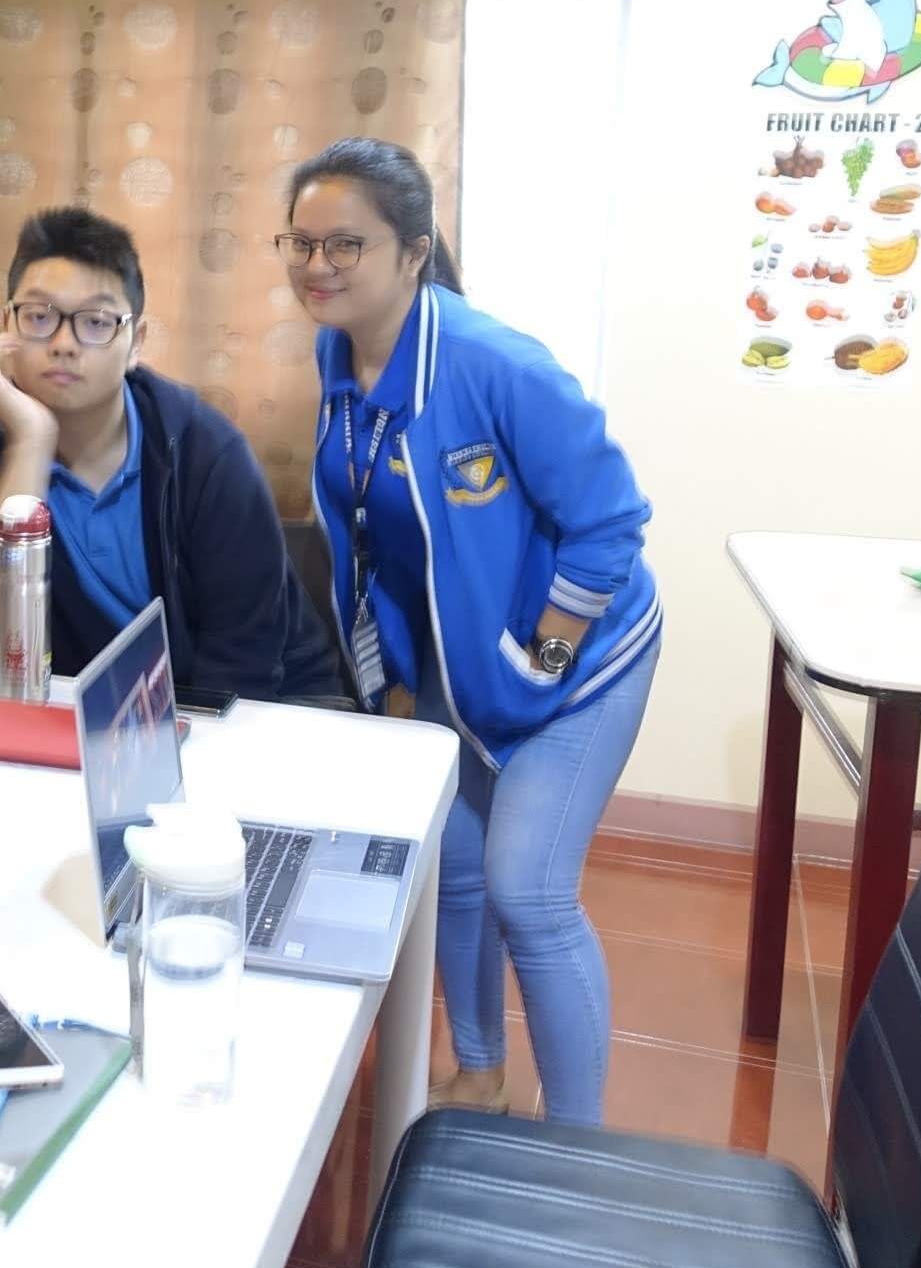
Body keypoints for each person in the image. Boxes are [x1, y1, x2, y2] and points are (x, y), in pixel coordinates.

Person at [281, 137, 660, 1127]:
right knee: (450, 863)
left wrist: (540, 663)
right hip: (466, 655)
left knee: (527, 889)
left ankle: (577, 1145)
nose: (317, 266)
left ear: (414, 252)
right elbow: (375, 528)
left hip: (579, 658)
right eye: (301, 243)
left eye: (345, 244)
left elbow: (610, 523)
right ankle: (480, 1075)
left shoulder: (498, 365)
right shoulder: (337, 352)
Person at [0, 206, 340, 702]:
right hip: (94, 718)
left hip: (263, 709)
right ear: (6, 328)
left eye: (96, 322)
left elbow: (242, 662)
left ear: (135, 343)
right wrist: (31, 444)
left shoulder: (204, 452)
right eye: (39, 317)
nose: (64, 344)